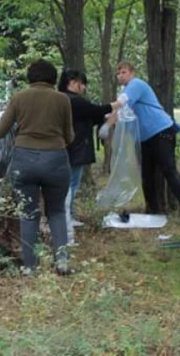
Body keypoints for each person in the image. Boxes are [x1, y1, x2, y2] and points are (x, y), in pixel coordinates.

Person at [0, 60, 74, 274]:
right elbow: (69, 136)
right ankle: (62, 262)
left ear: (30, 77)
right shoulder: (62, 99)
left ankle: (30, 266)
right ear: (53, 78)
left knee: (28, 213)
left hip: (24, 160)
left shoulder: (19, 98)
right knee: (56, 211)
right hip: (56, 160)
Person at [100, 62, 180, 221]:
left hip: (161, 131)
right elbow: (119, 110)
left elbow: (120, 103)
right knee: (147, 175)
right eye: (118, 73)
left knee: (169, 170)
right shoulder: (126, 90)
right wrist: (107, 124)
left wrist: (105, 113)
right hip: (145, 138)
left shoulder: (136, 85)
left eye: (124, 72)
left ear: (132, 73)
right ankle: (153, 210)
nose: (121, 75)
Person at [57, 69, 120, 244]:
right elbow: (96, 110)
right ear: (71, 82)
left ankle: (69, 215)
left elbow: (89, 118)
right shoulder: (73, 100)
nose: (83, 87)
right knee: (70, 185)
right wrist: (118, 103)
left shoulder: (66, 100)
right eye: (81, 83)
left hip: (73, 148)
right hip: (74, 149)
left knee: (73, 184)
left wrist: (105, 118)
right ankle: (66, 219)